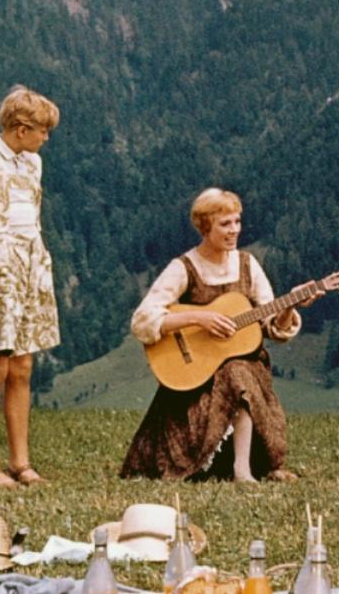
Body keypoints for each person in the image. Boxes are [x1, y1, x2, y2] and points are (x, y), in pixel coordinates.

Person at [120, 188, 318, 482]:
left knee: (238, 371)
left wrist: (289, 306)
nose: (234, 230)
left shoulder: (248, 265)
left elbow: (271, 325)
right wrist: (198, 318)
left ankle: (243, 467)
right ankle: (238, 469)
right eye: (225, 224)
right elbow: (142, 320)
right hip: (198, 378)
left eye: (237, 222)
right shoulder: (184, 267)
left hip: (247, 370)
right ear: (205, 226)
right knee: (234, 373)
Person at [0, 86, 61, 488]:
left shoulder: (32, 164)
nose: (46, 138)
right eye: (42, 130)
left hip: (32, 264)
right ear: (21, 129)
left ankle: (20, 462)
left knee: (23, 364)